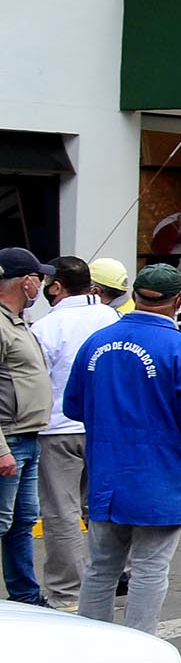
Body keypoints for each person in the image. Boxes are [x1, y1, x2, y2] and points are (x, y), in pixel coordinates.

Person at [64, 265, 181, 634]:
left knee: (101, 566)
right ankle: (139, 644)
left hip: (106, 474)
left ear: (135, 295)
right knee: (150, 567)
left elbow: (74, 406)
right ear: (179, 300)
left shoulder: (97, 342)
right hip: (159, 475)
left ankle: (89, 642)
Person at [32, 257, 126, 610]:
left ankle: (66, 593)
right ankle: (114, 575)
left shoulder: (47, 327)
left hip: (58, 428)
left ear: (56, 286)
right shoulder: (111, 319)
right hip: (105, 428)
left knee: (61, 512)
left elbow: (35, 379)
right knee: (102, 507)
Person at [0, 246, 47, 604]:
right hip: (9, 442)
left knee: (21, 522)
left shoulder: (17, 322)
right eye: (38, 278)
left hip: (28, 438)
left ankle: (25, 599)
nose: (42, 286)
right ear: (26, 281)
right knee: (2, 522)